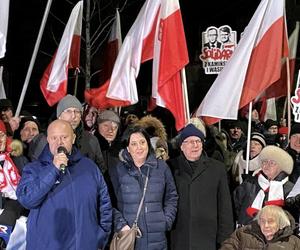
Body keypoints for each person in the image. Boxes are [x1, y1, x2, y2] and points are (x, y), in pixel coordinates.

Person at [16, 119, 112, 250]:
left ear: (73, 138)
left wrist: (99, 237)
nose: (59, 142)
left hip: (86, 244)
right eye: (54, 137)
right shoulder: (34, 169)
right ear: (48, 139)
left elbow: (104, 204)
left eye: (64, 137)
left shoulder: (89, 167)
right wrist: (53, 169)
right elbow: (27, 200)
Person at [108, 125, 178, 250]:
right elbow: (108, 203)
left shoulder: (161, 168)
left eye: (142, 142)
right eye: (134, 144)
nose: (139, 147)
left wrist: (166, 220)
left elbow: (171, 196)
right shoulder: (117, 170)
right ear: (128, 148)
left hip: (157, 240)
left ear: (148, 144)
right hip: (130, 239)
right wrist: (121, 226)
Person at [168, 124, 234, 250]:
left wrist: (225, 239)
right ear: (182, 146)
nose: (195, 145)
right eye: (191, 142)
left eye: (198, 141)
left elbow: (225, 206)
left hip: (208, 237)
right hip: (179, 237)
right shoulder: (171, 167)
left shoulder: (217, 168)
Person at [234, 145, 294, 226]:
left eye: (272, 163)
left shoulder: (289, 189)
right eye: (265, 161)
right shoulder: (249, 184)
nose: (267, 165)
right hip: (247, 233)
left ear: (281, 167)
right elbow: (236, 206)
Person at [57, 94, 105, 173]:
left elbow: (100, 169)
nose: (73, 116)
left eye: (77, 111)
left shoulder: (91, 140)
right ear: (59, 116)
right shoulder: (47, 139)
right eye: (68, 111)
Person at [220, 205, 300, 249]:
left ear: (280, 223)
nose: (266, 225)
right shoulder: (243, 233)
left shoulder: (293, 242)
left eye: (270, 221)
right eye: (262, 221)